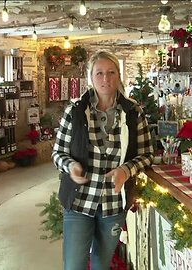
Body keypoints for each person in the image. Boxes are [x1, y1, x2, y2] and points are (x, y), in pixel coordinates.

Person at [51, 50, 154, 270]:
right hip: (80, 202)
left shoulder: (134, 113)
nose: (105, 79)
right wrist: (71, 166)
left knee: (101, 264)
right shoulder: (75, 112)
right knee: (74, 265)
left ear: (118, 75)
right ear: (91, 78)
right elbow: (58, 153)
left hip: (114, 203)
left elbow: (147, 155)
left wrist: (126, 170)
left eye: (111, 72)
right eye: (99, 73)